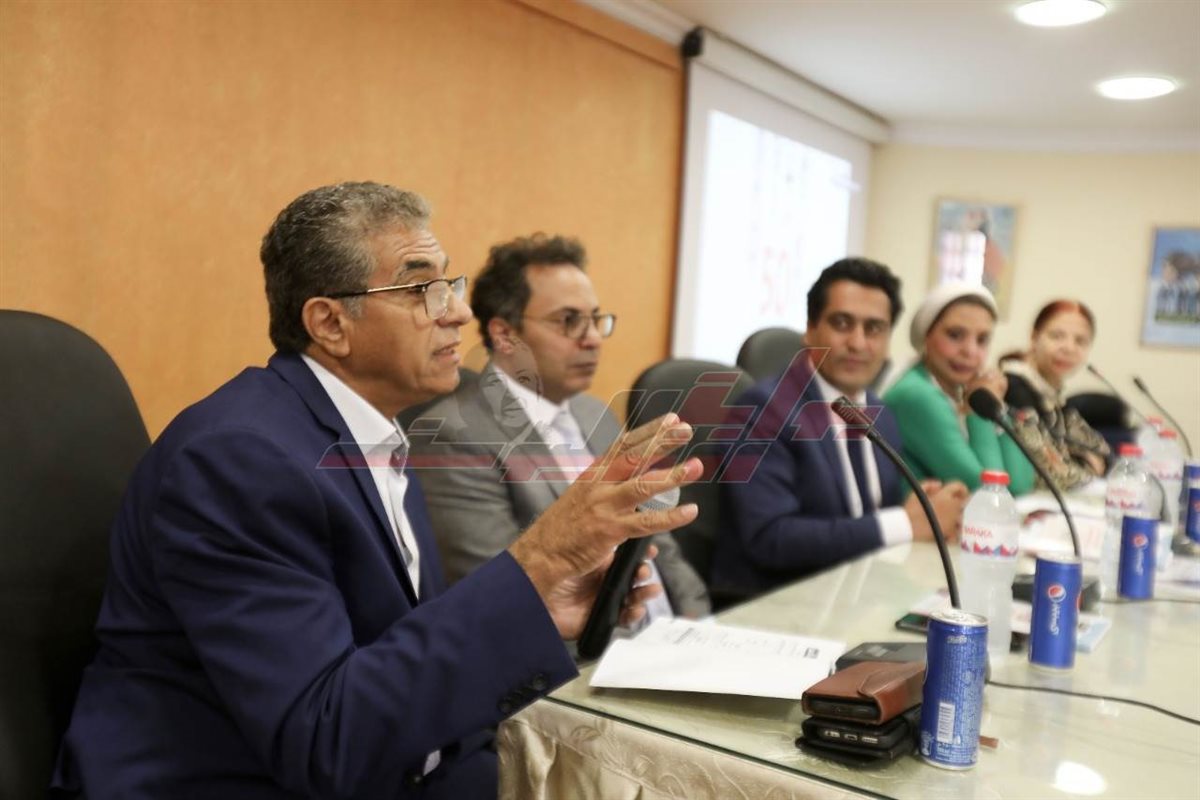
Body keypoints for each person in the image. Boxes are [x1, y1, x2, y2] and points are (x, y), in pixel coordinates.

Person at [51, 182, 700, 799]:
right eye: (422, 288)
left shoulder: (375, 434)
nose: (458, 312)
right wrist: (539, 562)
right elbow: (322, 739)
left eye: (450, 283)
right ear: (330, 324)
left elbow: (396, 660)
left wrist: (540, 606)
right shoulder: (239, 460)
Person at [408, 234, 710, 619]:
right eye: (569, 321)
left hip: (672, 637)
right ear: (505, 334)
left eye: (595, 320)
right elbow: (498, 600)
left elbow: (658, 539)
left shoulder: (594, 413)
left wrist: (701, 623)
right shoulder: (454, 436)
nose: (593, 339)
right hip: (583, 648)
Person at [712, 258, 968, 599]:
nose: (858, 343)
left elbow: (867, 518)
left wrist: (923, 506)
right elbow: (769, 537)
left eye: (874, 328)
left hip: (862, 595)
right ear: (810, 329)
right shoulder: (763, 410)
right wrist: (906, 523)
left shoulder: (879, 413)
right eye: (842, 323)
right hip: (774, 606)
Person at [884, 282, 1035, 495]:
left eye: (982, 340)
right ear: (926, 336)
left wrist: (994, 407)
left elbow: (1020, 484)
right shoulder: (916, 395)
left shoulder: (959, 390)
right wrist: (978, 412)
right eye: (955, 335)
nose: (970, 351)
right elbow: (991, 492)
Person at [998, 300, 1110, 490]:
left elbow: (1104, 453)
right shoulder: (1015, 388)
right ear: (1034, 337)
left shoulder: (1051, 392)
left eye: (1080, 341)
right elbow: (1049, 472)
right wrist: (1085, 463)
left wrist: (1076, 460)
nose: (1069, 348)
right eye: (1057, 336)